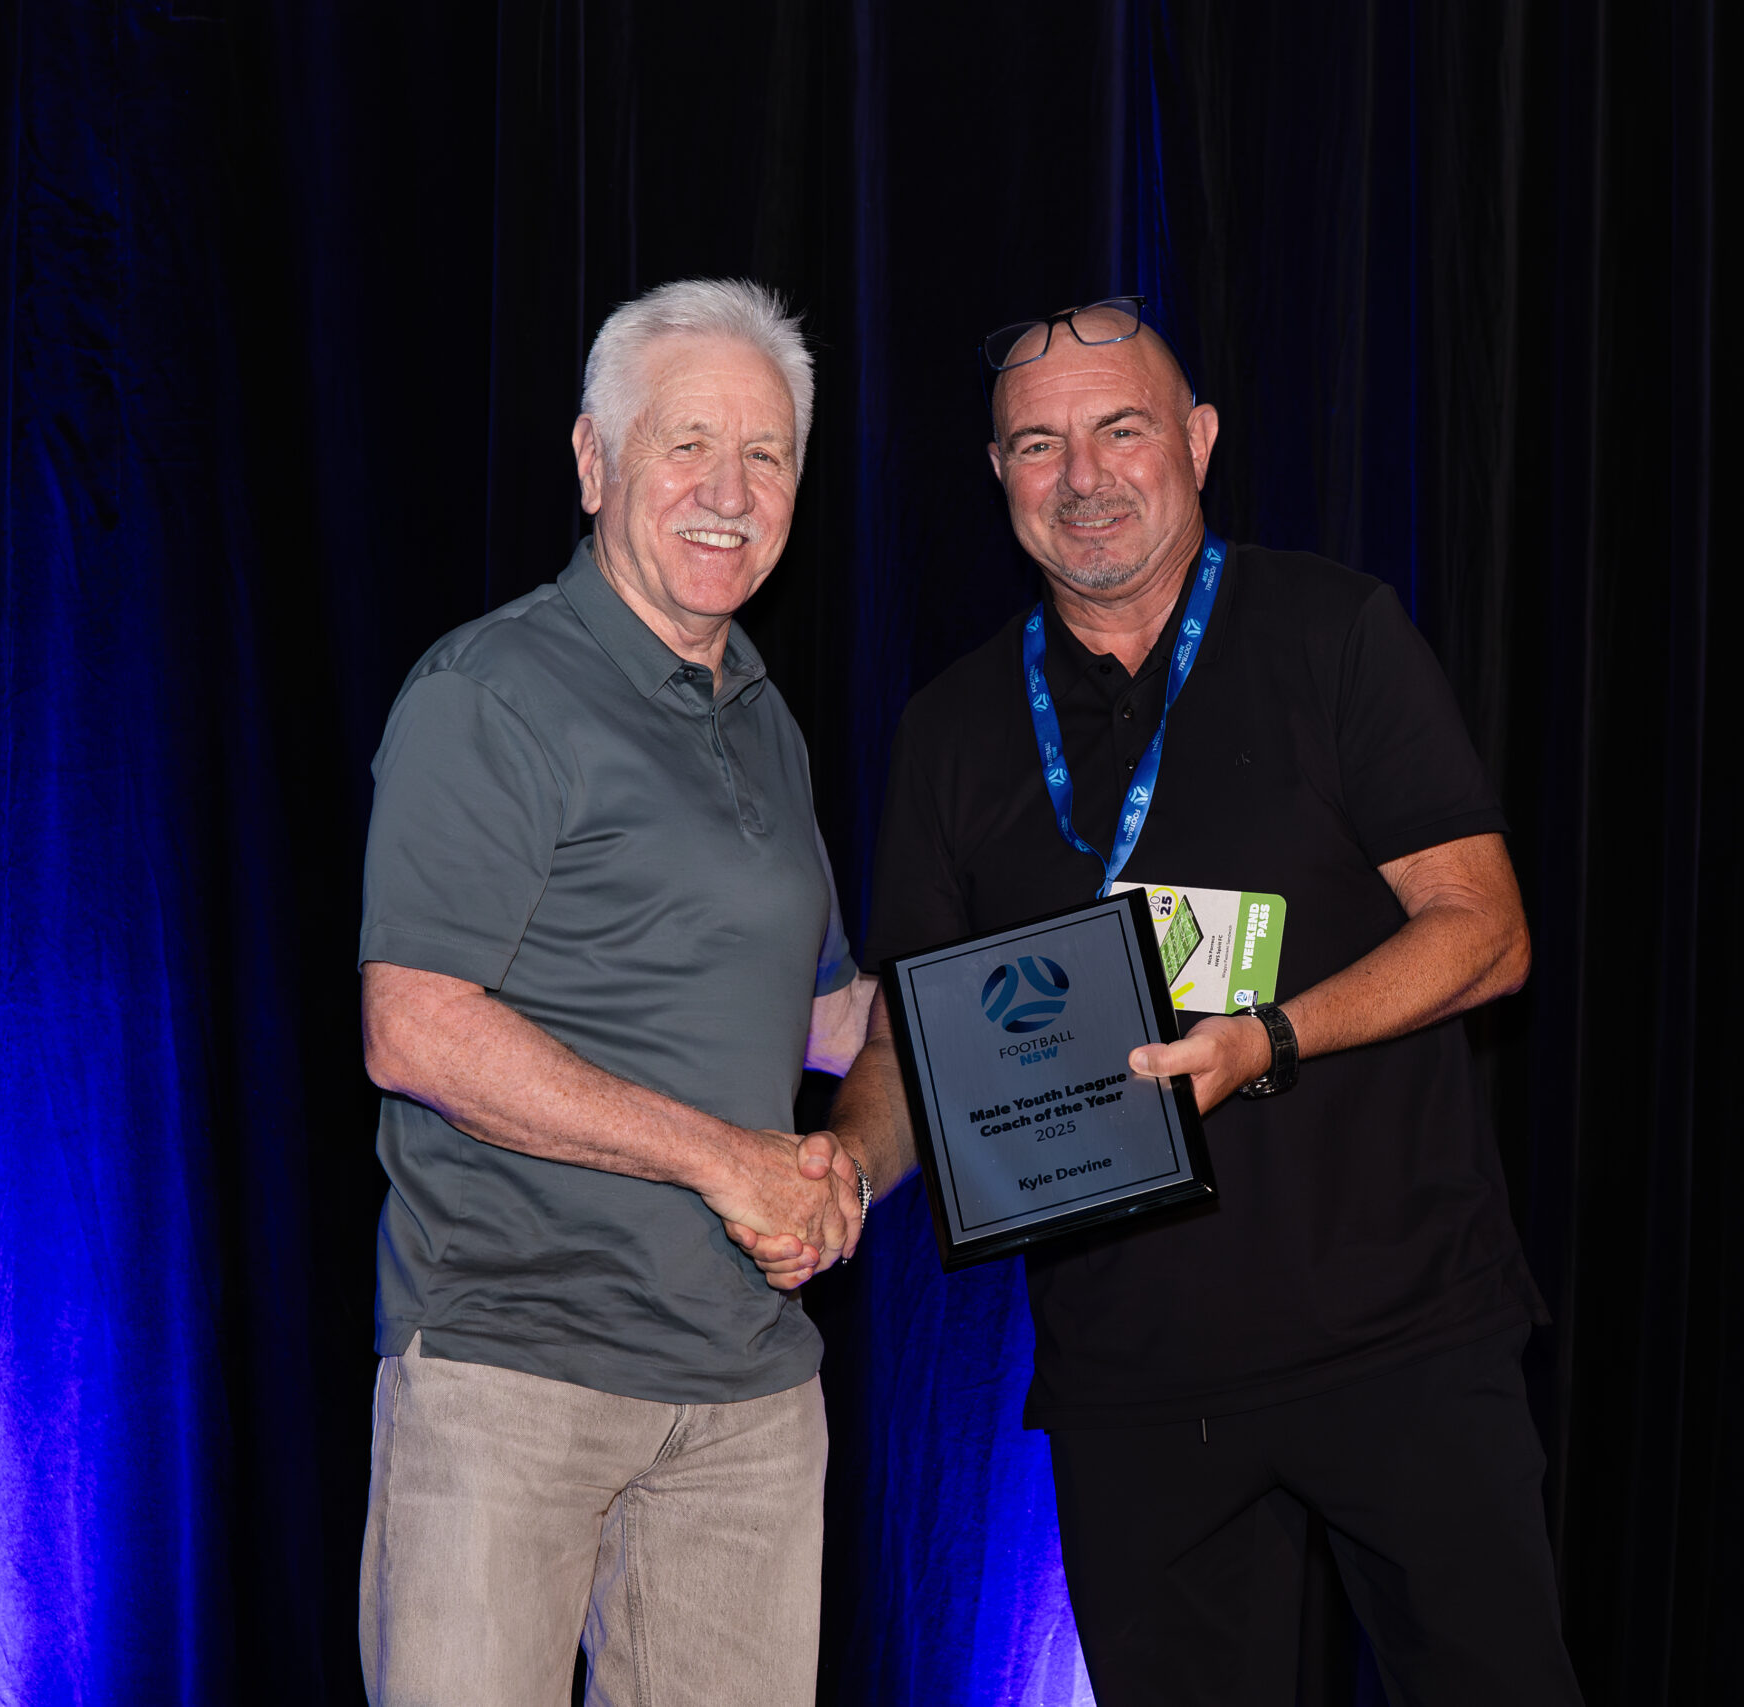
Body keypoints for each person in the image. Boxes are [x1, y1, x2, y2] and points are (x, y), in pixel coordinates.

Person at [826, 297, 1587, 1705]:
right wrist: (845, 1168)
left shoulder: (1333, 632)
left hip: (1400, 1336)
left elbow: (1486, 932)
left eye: (1121, 429)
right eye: (1038, 445)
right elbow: (906, 1030)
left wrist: (1273, 1039)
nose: (1086, 476)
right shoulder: (953, 730)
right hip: (1133, 1382)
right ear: (999, 478)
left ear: (1199, 439)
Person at [354, 277, 878, 1707]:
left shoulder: (762, 720)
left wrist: (1091, 1008)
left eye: (765, 454)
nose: (729, 489)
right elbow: (414, 1025)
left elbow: (839, 1021)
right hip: (515, 1381)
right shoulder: (490, 693)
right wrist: (729, 1163)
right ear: (594, 463)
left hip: (751, 1405)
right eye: (684, 443)